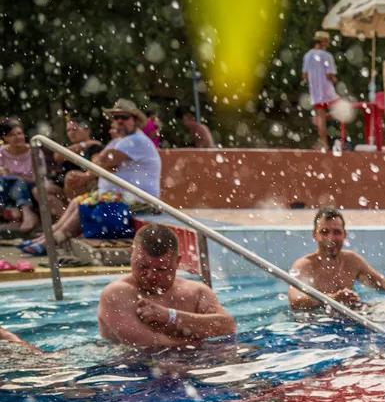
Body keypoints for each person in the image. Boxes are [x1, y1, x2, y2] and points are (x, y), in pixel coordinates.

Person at [20, 100, 161, 256]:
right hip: (121, 196)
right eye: (116, 118)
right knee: (76, 202)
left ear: (135, 120)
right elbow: (99, 162)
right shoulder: (119, 141)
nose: (119, 121)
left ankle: (52, 242)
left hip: (139, 199)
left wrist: (102, 162)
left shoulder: (136, 140)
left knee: (86, 206)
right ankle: (45, 237)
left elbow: (104, 160)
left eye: (124, 117)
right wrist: (102, 161)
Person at [97, 224, 235, 348]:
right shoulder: (117, 293)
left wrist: (171, 317)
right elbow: (143, 344)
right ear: (132, 252)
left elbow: (228, 327)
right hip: (133, 369)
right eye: (143, 266)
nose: (151, 275)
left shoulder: (196, 291)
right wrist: (199, 344)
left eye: (161, 269)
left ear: (177, 261)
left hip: (191, 363)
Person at [288, 208, 385, 312]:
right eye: (324, 232)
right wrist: (333, 298)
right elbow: (295, 301)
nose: (331, 238)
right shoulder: (304, 266)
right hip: (316, 325)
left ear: (344, 235)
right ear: (314, 235)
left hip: (351, 317)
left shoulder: (351, 261)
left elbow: (384, 283)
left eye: (336, 232)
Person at [302, 31, 339, 152]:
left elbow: (305, 75)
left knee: (321, 116)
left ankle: (325, 143)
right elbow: (330, 75)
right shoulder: (327, 56)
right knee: (343, 110)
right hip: (328, 91)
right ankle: (337, 138)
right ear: (323, 41)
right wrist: (334, 80)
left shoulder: (307, 56)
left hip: (315, 92)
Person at [0, 119, 38, 234]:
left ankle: (27, 214)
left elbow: (37, 178)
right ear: (5, 138)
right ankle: (14, 211)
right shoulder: (1, 152)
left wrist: (15, 174)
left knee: (19, 183)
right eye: (12, 135)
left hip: (30, 188)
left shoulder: (34, 152)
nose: (17, 137)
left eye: (19, 133)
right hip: (7, 188)